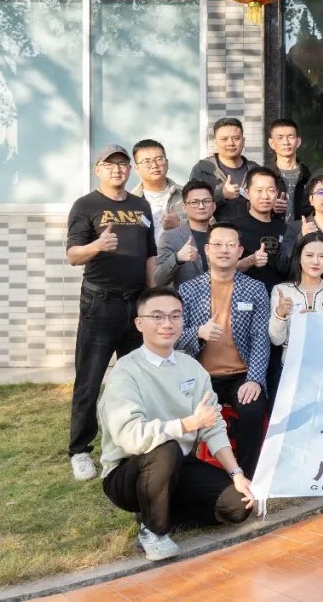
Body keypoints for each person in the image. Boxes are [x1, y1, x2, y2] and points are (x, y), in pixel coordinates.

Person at [97, 286, 254, 562]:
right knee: (166, 447)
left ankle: (160, 511)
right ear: (139, 323)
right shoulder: (125, 371)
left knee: (238, 506)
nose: (167, 324)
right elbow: (131, 437)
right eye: (157, 317)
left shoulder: (191, 367)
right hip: (129, 471)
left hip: (177, 466)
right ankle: (153, 532)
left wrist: (237, 474)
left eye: (175, 316)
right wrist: (187, 424)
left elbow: (213, 425)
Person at [65, 144, 157, 481]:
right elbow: (72, 255)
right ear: (98, 169)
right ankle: (79, 451)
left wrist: (152, 296)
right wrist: (97, 246)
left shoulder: (141, 205)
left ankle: (131, 442)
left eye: (122, 164)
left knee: (136, 377)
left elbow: (150, 253)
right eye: (109, 164)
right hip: (100, 304)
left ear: (130, 169)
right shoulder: (85, 205)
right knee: (89, 380)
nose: (117, 169)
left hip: (136, 304)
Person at [177, 223, 270, 478]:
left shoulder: (255, 289)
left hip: (240, 374)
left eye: (230, 245)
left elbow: (260, 338)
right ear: (207, 250)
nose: (224, 250)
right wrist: (198, 332)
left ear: (240, 251)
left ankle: (246, 477)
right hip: (200, 375)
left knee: (252, 411)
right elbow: (174, 338)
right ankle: (187, 474)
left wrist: (254, 379)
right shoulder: (188, 290)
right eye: (217, 244)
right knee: (180, 413)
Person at [269, 233, 323, 344]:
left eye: (322, 256)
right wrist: (280, 314)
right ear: (299, 257)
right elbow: (277, 340)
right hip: (292, 355)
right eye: (309, 255)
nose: (315, 261)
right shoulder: (282, 291)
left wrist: (317, 321)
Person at [189, 118, 260, 223]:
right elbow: (193, 206)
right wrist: (221, 195)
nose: (231, 143)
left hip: (252, 230)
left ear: (243, 141)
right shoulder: (202, 170)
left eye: (236, 138)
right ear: (215, 143)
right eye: (224, 139)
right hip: (214, 231)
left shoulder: (256, 171)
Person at [234, 167, 288, 294]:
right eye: (259, 190)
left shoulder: (285, 229)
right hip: (245, 297)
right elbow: (223, 270)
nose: (265, 196)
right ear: (247, 193)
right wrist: (251, 260)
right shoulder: (233, 228)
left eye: (270, 191)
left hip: (279, 297)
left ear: (277, 193)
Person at [155, 180, 216, 289]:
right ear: (184, 207)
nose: (201, 206)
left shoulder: (224, 234)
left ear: (214, 205)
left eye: (206, 201)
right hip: (185, 298)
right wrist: (177, 258)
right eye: (194, 202)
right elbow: (159, 280)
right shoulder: (170, 237)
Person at [130, 139, 185, 246]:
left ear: (167, 163)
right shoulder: (129, 202)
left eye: (159, 159)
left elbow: (208, 229)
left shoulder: (187, 195)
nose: (154, 165)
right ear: (136, 168)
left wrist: (181, 225)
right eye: (146, 162)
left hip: (182, 255)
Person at [266, 118, 310, 225]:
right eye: (280, 138)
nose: (286, 142)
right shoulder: (264, 175)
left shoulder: (308, 176)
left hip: (302, 232)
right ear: (271, 143)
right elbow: (250, 208)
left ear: (298, 142)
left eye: (290, 137)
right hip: (271, 232)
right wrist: (268, 207)